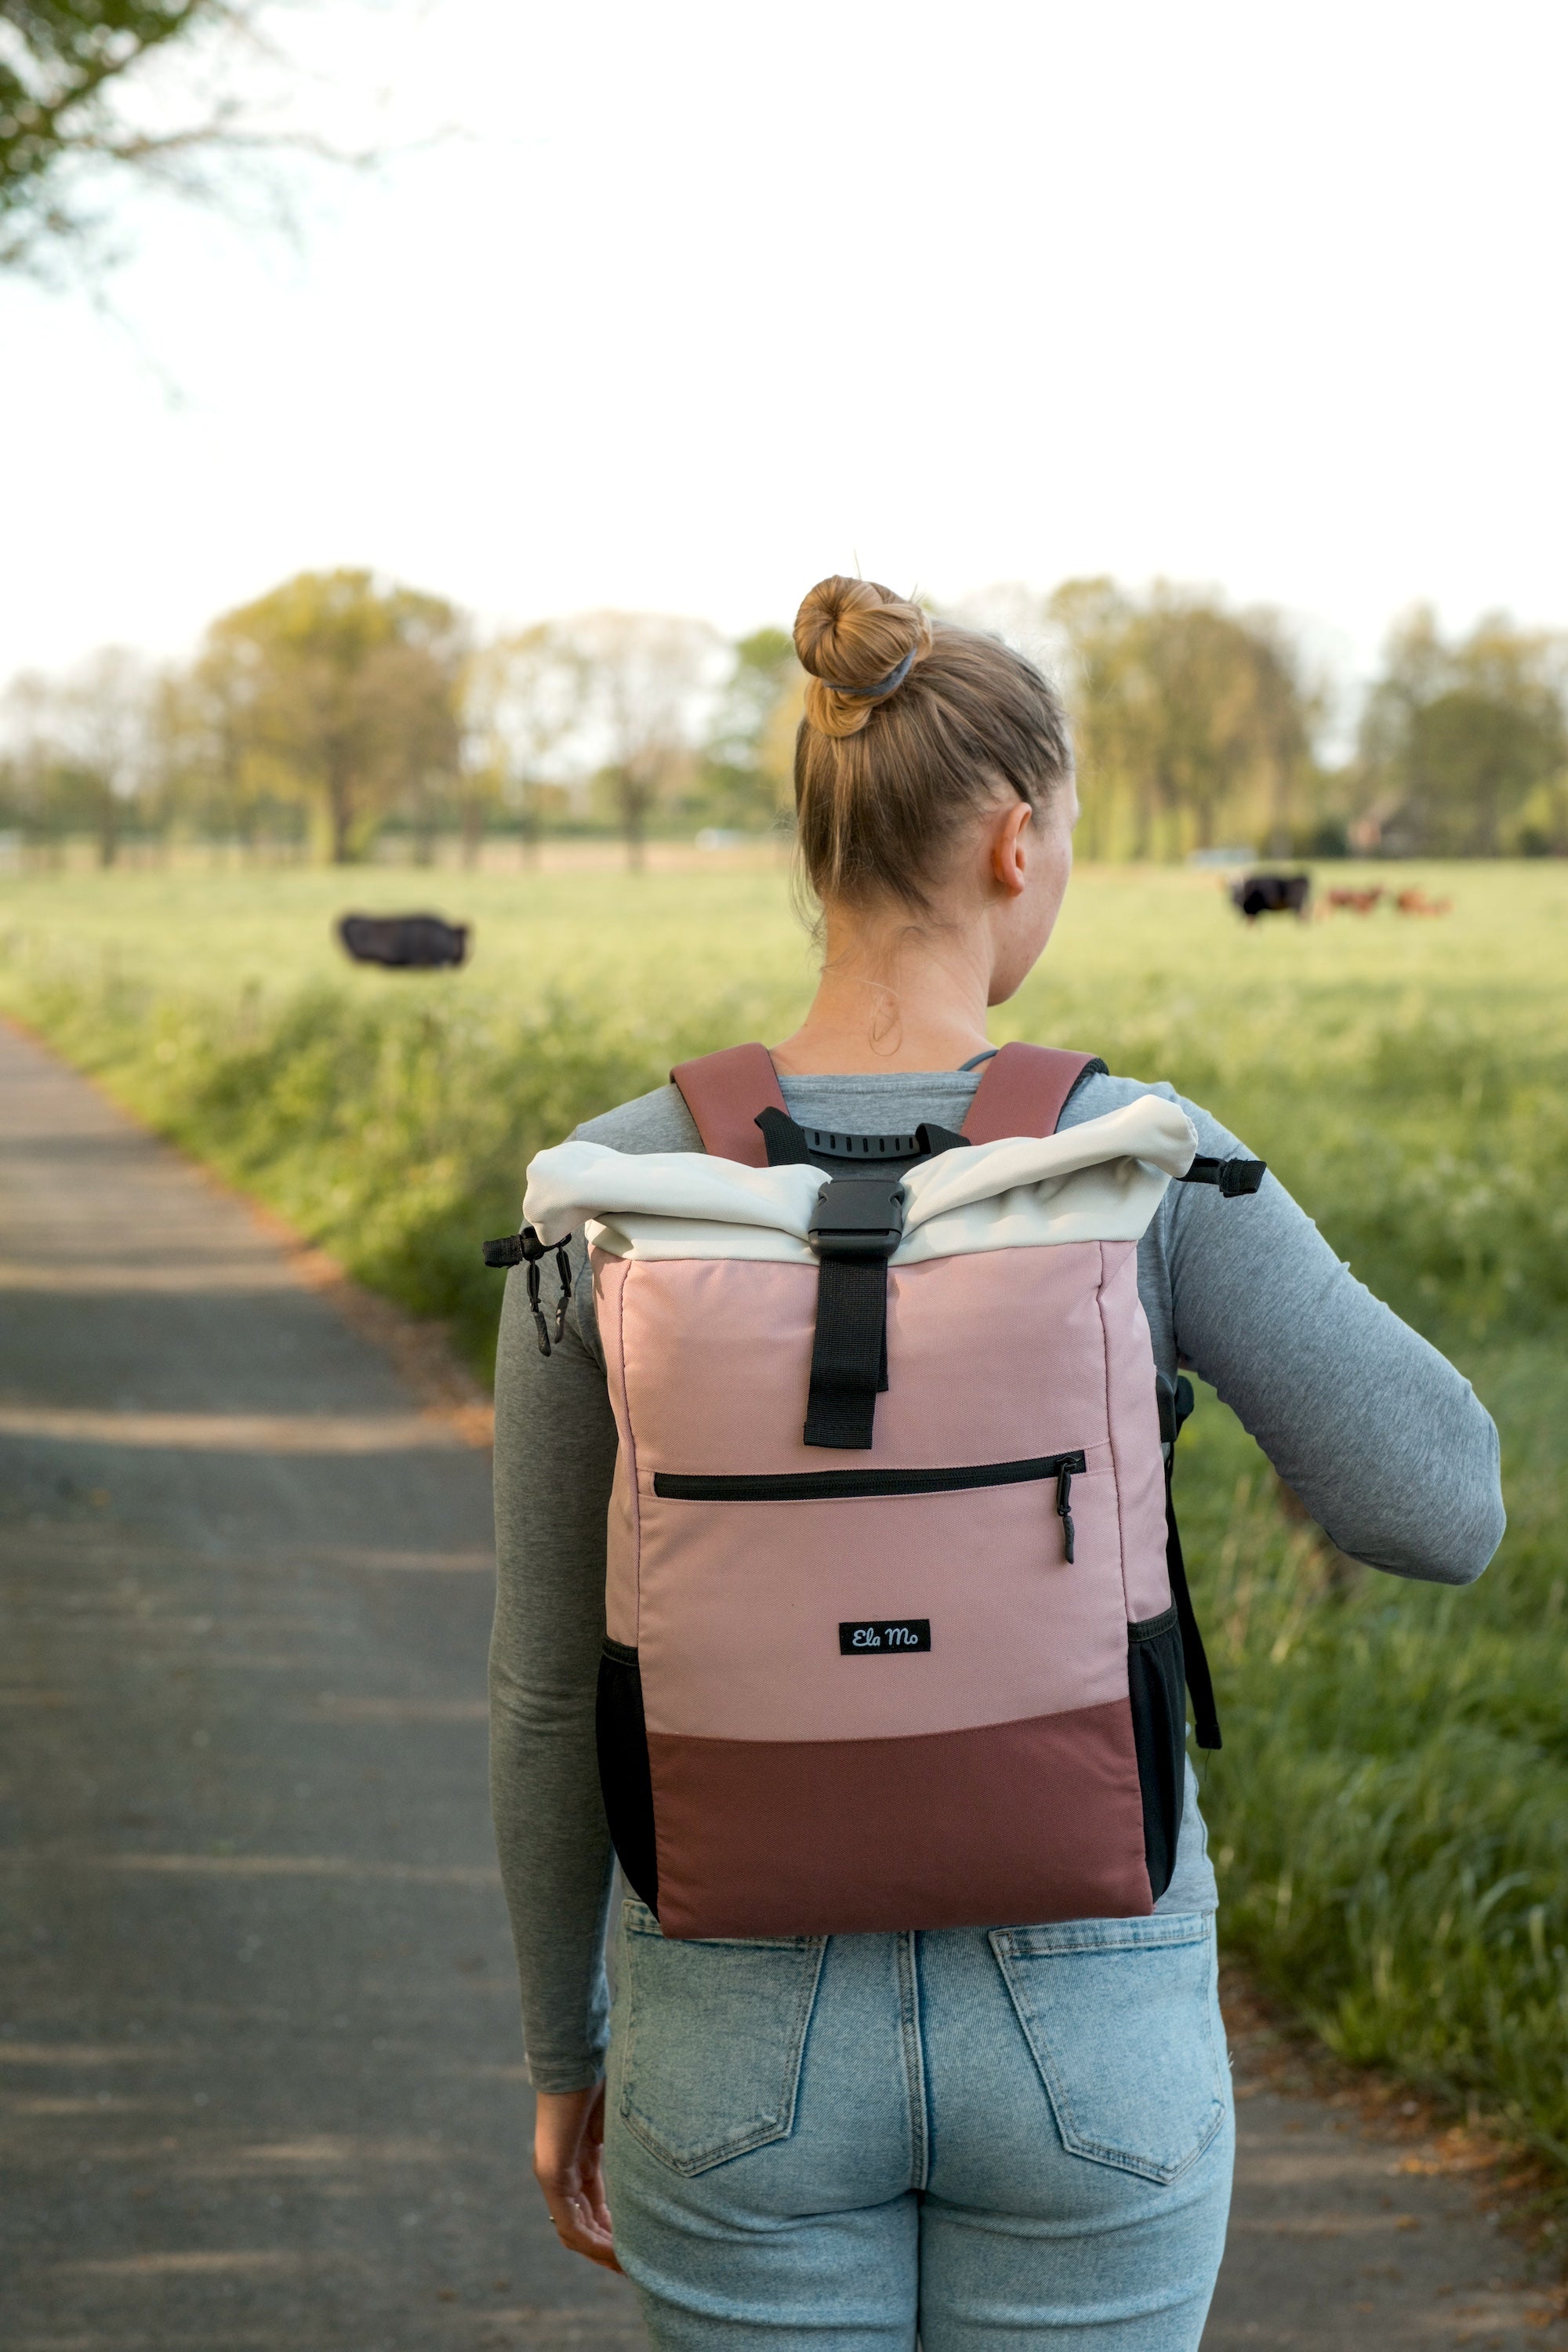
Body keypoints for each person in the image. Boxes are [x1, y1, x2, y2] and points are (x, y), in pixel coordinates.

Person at [489, 575, 1504, 2349]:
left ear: (816, 842)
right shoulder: (1133, 1166)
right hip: (1093, 2027)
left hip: (728, 2029)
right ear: (1016, 846)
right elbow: (1444, 1511)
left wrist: (566, 2052)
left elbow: (539, 1691)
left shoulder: (617, 1190)